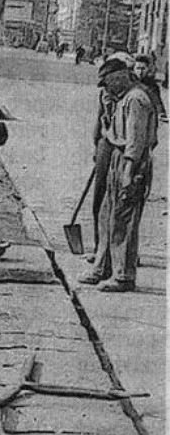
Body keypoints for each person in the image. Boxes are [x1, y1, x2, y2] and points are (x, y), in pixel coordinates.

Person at [80, 57, 157, 292]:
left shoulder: (137, 100)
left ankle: (123, 276)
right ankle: (103, 267)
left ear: (120, 76)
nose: (106, 88)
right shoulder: (123, 97)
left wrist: (128, 171)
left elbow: (136, 141)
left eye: (108, 82)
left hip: (130, 163)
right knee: (107, 215)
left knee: (123, 220)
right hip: (117, 157)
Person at [133, 53, 167, 122]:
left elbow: (157, 101)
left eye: (143, 69)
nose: (140, 72)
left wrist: (160, 113)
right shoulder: (130, 83)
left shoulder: (152, 85)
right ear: (134, 69)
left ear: (148, 69)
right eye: (138, 68)